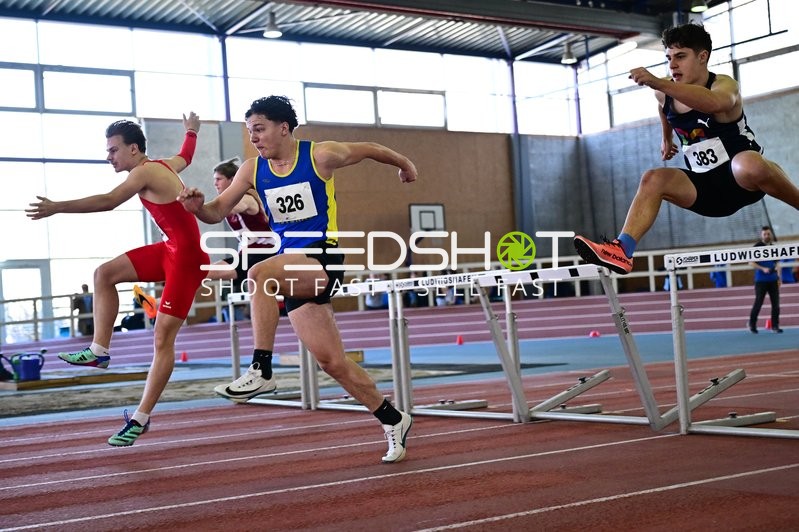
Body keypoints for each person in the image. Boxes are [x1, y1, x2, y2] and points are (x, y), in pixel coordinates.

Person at [178, 95, 417, 463]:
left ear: (284, 128)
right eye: (249, 132)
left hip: (323, 257)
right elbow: (215, 212)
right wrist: (198, 209)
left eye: (259, 129)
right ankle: (393, 418)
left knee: (259, 273)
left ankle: (261, 368)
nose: (254, 138)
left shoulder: (321, 155)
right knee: (332, 362)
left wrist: (404, 163)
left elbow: (369, 148)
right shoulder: (252, 171)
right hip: (291, 267)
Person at [26, 112, 209, 446]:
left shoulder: (143, 172)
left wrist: (57, 207)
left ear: (134, 149)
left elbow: (109, 201)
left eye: (113, 150)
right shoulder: (163, 164)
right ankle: (99, 349)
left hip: (186, 259)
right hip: (169, 249)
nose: (108, 156)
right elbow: (185, 156)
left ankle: (140, 418)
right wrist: (192, 131)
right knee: (104, 274)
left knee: (162, 339)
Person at [573, 23, 799, 275]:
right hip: (704, 190)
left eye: (680, 57)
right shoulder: (664, 93)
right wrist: (666, 138)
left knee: (750, 163)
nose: (672, 65)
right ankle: (622, 250)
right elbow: (663, 109)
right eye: (668, 58)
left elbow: (713, 103)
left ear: (703, 57)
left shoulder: (724, 85)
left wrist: (659, 83)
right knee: (653, 178)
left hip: (743, 182)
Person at [205, 158, 279, 318]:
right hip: (247, 256)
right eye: (214, 180)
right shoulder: (227, 203)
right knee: (205, 273)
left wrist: (196, 206)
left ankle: (166, 293)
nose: (215, 184)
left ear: (232, 180)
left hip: (265, 255)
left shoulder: (246, 199)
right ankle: (164, 298)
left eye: (219, 179)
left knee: (206, 271)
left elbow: (229, 207)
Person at [748, 225, 782, 334]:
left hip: (773, 280)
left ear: (771, 234)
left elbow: (777, 264)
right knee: (758, 303)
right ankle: (752, 325)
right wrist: (763, 268)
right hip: (761, 280)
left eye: (768, 233)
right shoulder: (757, 247)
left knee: (776, 304)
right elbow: (751, 262)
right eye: (764, 234)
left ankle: (775, 326)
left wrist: (779, 277)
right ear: (761, 235)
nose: (767, 236)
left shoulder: (774, 247)